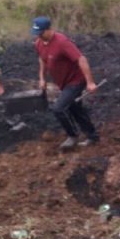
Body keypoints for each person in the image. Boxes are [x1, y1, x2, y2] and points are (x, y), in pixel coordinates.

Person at [32, 16, 99, 149]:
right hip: (63, 83)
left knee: (58, 108)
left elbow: (81, 59)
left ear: (48, 29)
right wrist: (42, 78)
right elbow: (42, 59)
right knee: (75, 109)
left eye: (40, 33)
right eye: (36, 33)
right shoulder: (39, 43)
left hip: (76, 81)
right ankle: (93, 136)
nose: (38, 36)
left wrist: (90, 82)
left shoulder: (62, 42)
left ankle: (72, 136)